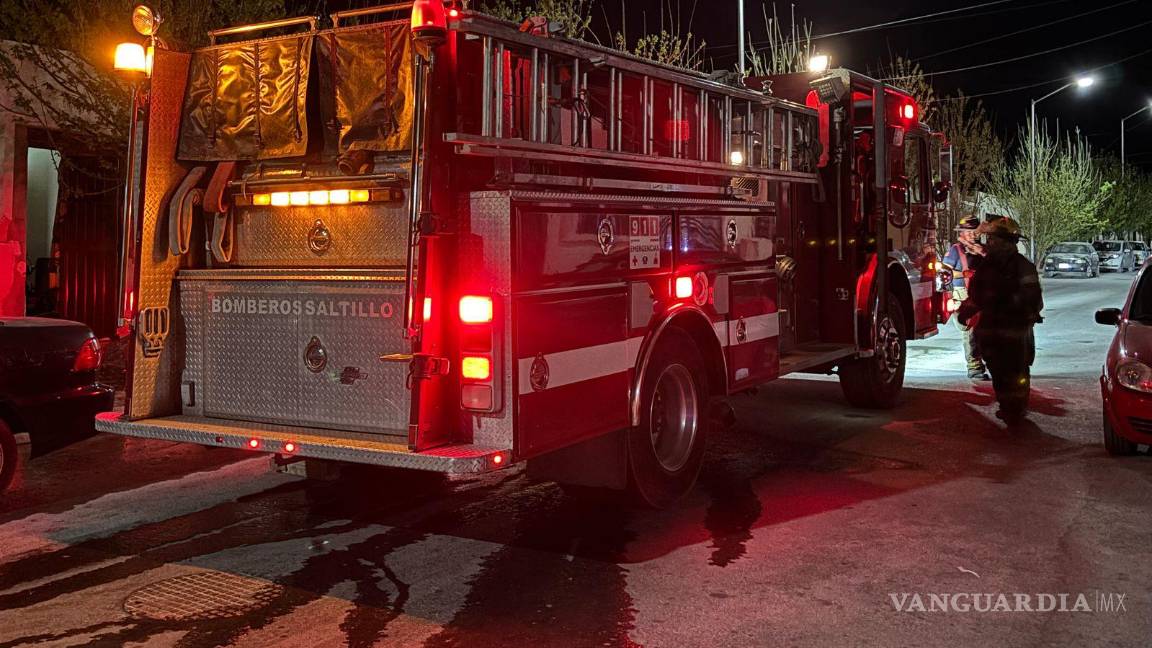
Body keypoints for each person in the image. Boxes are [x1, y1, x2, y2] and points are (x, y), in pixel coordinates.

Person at [957, 217, 1044, 421]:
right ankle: (1008, 406)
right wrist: (966, 311)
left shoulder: (1023, 267)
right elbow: (976, 293)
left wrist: (1025, 313)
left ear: (1008, 242)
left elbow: (1034, 299)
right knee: (997, 368)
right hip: (991, 329)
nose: (991, 243)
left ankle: (1016, 408)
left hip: (1015, 329)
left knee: (1017, 369)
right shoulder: (987, 266)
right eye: (991, 239)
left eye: (995, 239)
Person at [943, 216, 988, 381]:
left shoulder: (983, 250)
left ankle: (984, 362)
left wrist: (983, 253)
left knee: (984, 331)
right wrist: (949, 296)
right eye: (969, 232)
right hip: (963, 297)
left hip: (983, 296)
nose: (972, 236)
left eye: (974, 232)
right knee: (971, 332)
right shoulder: (955, 251)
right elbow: (944, 273)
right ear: (961, 233)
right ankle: (974, 367)